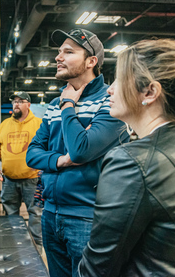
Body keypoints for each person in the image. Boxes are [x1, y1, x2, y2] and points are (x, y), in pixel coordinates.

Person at [78, 39, 175, 276]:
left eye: (119, 79)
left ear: (150, 92)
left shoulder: (132, 161)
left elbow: (97, 269)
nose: (110, 88)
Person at [26, 28, 129, 277]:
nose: (58, 57)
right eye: (59, 51)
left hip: (87, 218)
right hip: (50, 213)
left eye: (69, 52)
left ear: (91, 61)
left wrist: (69, 105)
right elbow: (32, 154)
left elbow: (81, 150)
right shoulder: (53, 105)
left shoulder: (111, 102)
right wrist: (61, 160)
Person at [0, 91, 43, 248]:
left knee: (36, 214)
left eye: (20, 101)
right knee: (11, 215)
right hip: (9, 179)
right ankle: (15, 246)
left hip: (33, 179)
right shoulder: (4, 125)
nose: (16, 104)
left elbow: (48, 146)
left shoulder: (39, 124)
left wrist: (44, 167)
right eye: (14, 101)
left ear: (28, 104)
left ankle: (36, 248)